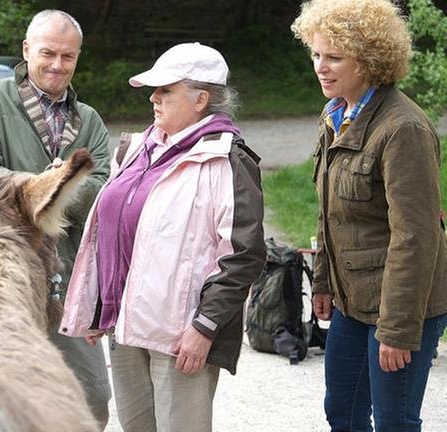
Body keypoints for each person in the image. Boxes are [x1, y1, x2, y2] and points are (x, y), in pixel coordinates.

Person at [59, 42, 266, 432]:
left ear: (201, 99)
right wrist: (96, 305)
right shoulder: (139, 147)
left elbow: (243, 256)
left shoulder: (228, 159)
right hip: (124, 327)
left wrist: (205, 327)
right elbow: (110, 232)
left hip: (180, 336)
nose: (153, 98)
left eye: (166, 90)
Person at [291, 0, 447, 430]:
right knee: (343, 413)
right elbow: (329, 211)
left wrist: (397, 329)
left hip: (399, 307)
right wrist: (322, 282)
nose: (320, 66)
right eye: (316, 54)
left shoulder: (404, 129)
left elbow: (416, 237)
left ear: (372, 60)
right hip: (350, 301)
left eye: (335, 57)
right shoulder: (335, 113)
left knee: (394, 421)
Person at [0, 9, 112, 427]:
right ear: (26, 50)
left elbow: (103, 190)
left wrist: (60, 190)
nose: (58, 65)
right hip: (7, 275)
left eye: (68, 56)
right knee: (6, 394)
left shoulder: (90, 119)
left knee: (91, 395)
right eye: (48, 53)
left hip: (73, 276)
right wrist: (37, 186)